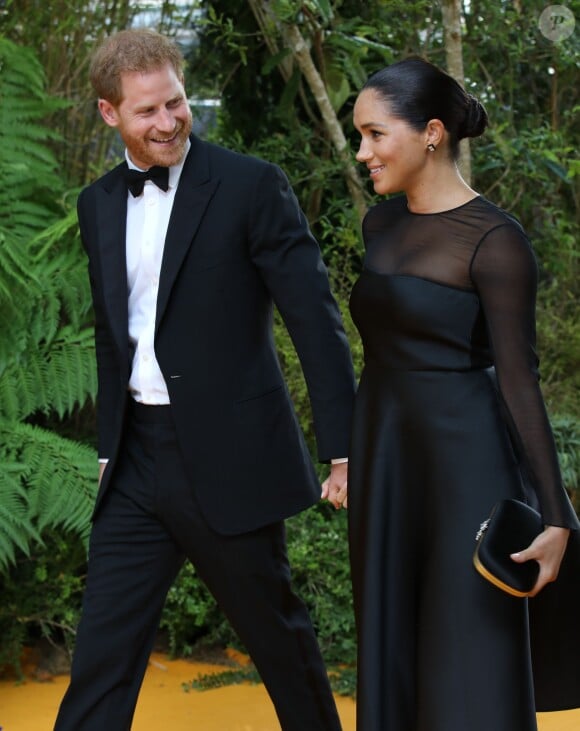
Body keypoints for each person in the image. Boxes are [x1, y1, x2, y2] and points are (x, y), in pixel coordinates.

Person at [54, 28, 355, 731]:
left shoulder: (251, 185)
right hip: (133, 462)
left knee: (280, 641)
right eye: (146, 112)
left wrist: (343, 444)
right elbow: (113, 334)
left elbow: (314, 318)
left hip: (229, 456)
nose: (167, 123)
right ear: (109, 115)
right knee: (101, 655)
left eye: (175, 104)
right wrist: (107, 446)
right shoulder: (97, 204)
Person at [347, 57, 580, 731]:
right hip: (387, 461)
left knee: (468, 655)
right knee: (390, 645)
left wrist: (557, 517)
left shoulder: (496, 242)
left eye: (374, 134)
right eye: (359, 136)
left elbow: (519, 382)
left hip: (468, 470)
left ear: (432, 133)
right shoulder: (379, 227)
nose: (363, 151)